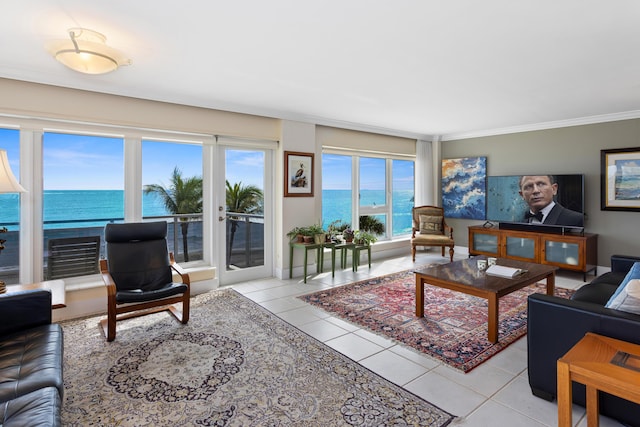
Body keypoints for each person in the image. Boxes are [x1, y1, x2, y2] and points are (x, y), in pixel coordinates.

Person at [518, 175, 584, 227]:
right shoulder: (519, 223)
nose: (536, 191)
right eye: (529, 186)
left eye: (541, 184)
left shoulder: (577, 220)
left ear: (554, 189)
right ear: (522, 195)